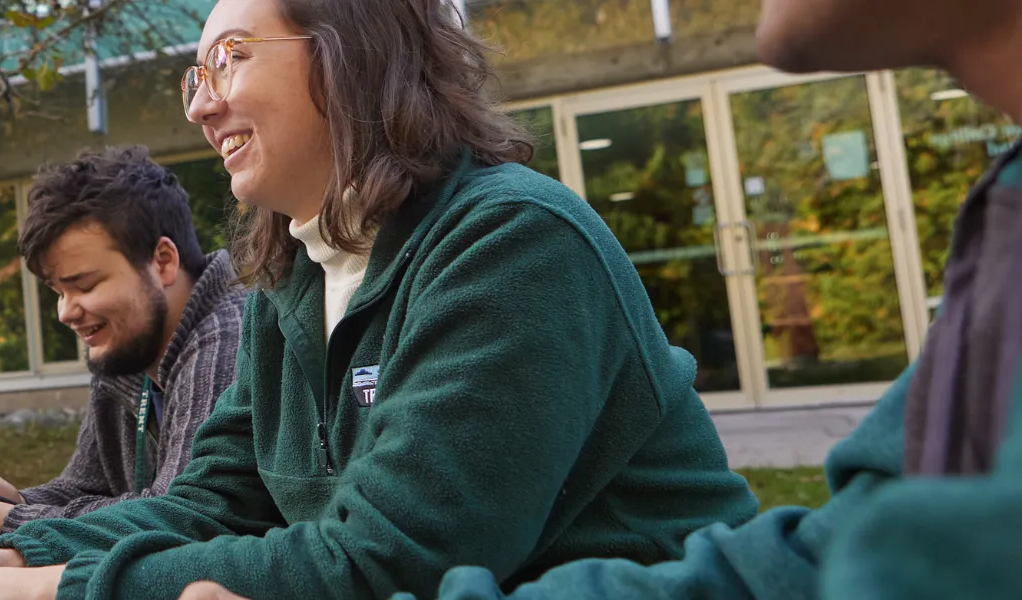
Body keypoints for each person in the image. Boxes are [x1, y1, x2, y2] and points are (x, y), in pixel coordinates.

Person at [0, 0, 761, 598]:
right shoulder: (295, 278)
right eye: (196, 76)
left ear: (347, 52)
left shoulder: (513, 244)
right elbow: (212, 503)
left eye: (227, 60)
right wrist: (14, 549)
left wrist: (43, 586)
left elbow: (389, 561)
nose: (200, 107)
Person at [367, 0, 1022, 598]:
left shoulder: (512, 231)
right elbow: (823, 557)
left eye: (257, 50)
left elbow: (402, 546)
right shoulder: (1005, 227)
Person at [0, 146, 245, 546]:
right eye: (58, 290)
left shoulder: (230, 338)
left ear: (164, 262)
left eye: (84, 285)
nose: (66, 311)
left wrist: (17, 522)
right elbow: (84, 489)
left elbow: (182, 516)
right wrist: (17, 501)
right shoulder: (130, 346)